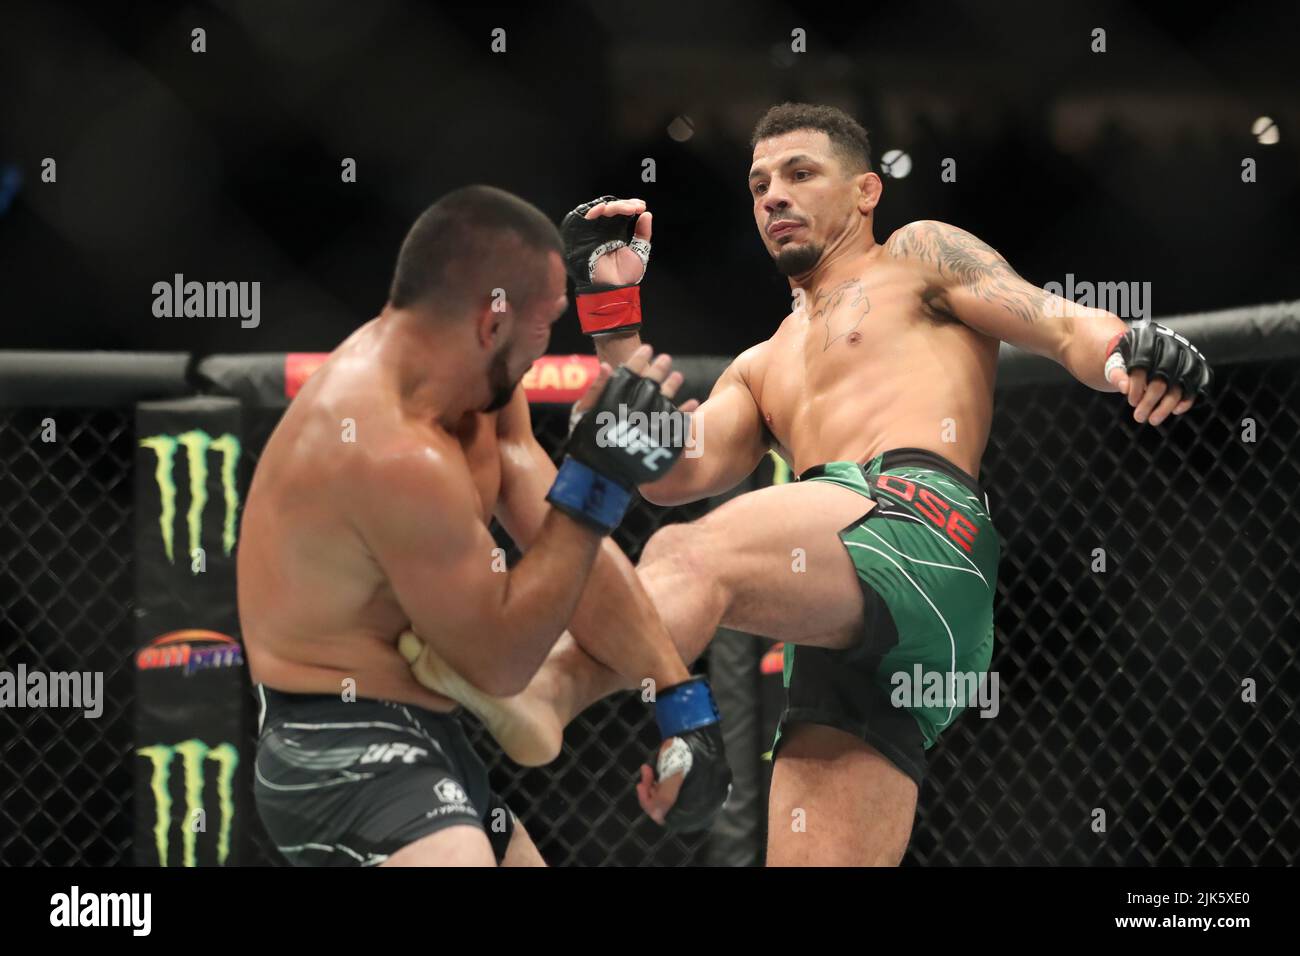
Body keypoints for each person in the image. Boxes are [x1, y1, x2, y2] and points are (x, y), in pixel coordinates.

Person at [403, 104, 1213, 865]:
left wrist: (1126, 352)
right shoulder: (762, 363)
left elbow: (1059, 321)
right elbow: (675, 470)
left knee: (695, 554)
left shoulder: (918, 255)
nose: (774, 197)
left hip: (921, 528)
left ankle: (549, 689)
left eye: (799, 174)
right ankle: (560, 697)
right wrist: (613, 314)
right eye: (759, 185)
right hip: (850, 613)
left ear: (866, 192)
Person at [238, 184, 730, 867]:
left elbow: (565, 559)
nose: (550, 340)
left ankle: (554, 704)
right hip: (337, 748)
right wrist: (599, 482)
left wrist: (684, 705)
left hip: (434, 733)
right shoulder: (386, 448)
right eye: (547, 320)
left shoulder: (482, 395)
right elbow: (501, 662)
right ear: (490, 323)